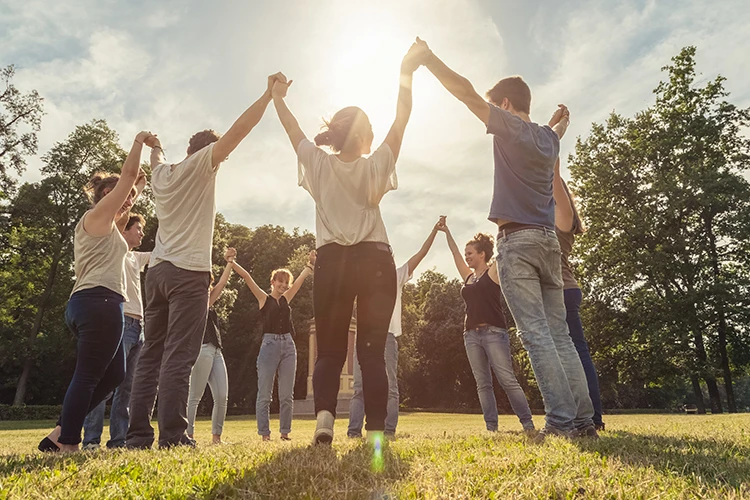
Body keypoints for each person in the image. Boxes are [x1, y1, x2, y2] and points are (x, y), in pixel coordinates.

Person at [416, 37, 596, 438]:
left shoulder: (508, 125)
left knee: (535, 336)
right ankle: (584, 421)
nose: (493, 112)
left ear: (507, 105)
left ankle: (562, 423)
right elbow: (556, 127)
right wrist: (561, 118)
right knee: (560, 335)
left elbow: (464, 92)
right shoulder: (548, 139)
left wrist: (429, 59)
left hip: (516, 242)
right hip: (549, 243)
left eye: (497, 105)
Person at [271, 42, 429, 444]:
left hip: (332, 263)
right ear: (363, 138)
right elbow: (404, 117)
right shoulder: (376, 165)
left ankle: (324, 420)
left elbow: (293, 131)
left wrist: (277, 97)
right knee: (372, 353)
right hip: (375, 261)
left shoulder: (319, 163)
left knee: (328, 351)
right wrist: (406, 69)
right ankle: (375, 433)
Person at [127, 73, 285, 449]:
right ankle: (173, 437)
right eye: (220, 154)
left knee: (151, 354)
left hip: (158, 273)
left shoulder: (162, 174)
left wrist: (154, 144)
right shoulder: (204, 164)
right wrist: (266, 96)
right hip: (188, 274)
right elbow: (239, 130)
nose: (223, 159)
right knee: (179, 356)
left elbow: (157, 157)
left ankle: (136, 435)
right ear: (209, 152)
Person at [38, 131, 155, 452]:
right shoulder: (96, 216)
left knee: (114, 374)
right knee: (88, 376)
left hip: (96, 303)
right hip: (98, 302)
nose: (126, 199)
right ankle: (69, 442)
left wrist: (137, 190)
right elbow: (128, 177)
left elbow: (128, 201)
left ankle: (60, 432)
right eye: (118, 193)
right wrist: (139, 143)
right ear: (105, 194)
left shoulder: (109, 227)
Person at [347, 218, 442, 439]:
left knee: (389, 386)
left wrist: (434, 231)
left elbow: (421, 254)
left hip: (387, 337)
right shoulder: (360, 279)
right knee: (359, 387)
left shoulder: (397, 275)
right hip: (363, 337)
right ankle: (353, 431)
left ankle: (388, 430)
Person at [438, 219, 534, 432]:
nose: (466, 256)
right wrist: (446, 232)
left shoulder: (493, 272)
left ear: (482, 254)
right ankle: (491, 427)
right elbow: (454, 254)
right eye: (466, 254)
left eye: (470, 253)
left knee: (507, 380)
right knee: (483, 384)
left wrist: (506, 225)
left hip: (494, 333)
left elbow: (502, 250)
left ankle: (527, 424)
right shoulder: (468, 277)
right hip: (471, 335)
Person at [81, 213, 151, 450]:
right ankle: (91, 440)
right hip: (119, 322)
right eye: (138, 228)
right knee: (105, 383)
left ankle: (119, 440)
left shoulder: (136, 258)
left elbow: (163, 252)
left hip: (139, 327)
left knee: (126, 388)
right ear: (125, 229)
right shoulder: (115, 252)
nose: (142, 233)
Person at [231, 251, 316, 441]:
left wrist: (310, 264)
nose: (284, 285)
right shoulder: (263, 299)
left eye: (286, 282)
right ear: (273, 282)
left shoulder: (287, 299)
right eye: (281, 282)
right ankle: (265, 434)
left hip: (288, 346)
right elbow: (247, 277)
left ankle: (285, 433)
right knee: (265, 395)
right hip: (269, 346)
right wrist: (231, 262)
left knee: (286, 395)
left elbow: (301, 280)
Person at [553, 159, 605, 430]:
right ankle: (582, 415)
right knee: (569, 355)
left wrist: (551, 152)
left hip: (563, 291)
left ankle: (593, 417)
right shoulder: (554, 220)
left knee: (577, 354)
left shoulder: (563, 219)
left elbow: (554, 178)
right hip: (564, 291)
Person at [186, 248, 237, 445]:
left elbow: (222, 283)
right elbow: (222, 284)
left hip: (216, 350)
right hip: (202, 349)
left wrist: (230, 262)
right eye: (206, 283)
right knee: (195, 396)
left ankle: (216, 438)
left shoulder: (208, 301)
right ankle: (188, 435)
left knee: (222, 395)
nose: (210, 286)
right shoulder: (196, 303)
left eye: (210, 283)